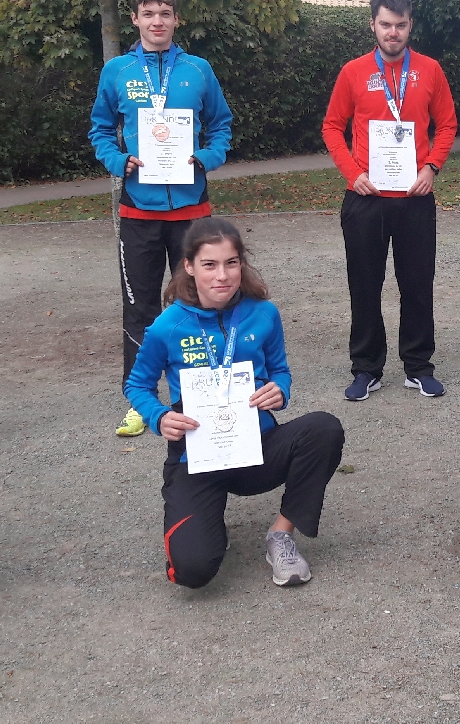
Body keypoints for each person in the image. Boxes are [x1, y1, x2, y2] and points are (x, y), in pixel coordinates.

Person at [126, 218, 346, 588]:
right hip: (197, 457)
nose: (222, 276)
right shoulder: (167, 327)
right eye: (210, 265)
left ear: (241, 263)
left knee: (324, 428)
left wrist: (279, 391)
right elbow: (137, 385)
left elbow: (280, 370)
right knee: (193, 571)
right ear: (189, 266)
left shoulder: (264, 313)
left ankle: (281, 535)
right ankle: (208, 525)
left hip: (256, 448)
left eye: (231, 263)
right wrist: (159, 416)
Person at [90, 0, 233, 437]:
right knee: (140, 308)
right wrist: (117, 161)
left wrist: (206, 158)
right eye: (148, 13)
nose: (157, 21)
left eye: (165, 13)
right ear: (135, 19)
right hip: (139, 212)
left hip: (192, 213)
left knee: (198, 302)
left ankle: (202, 396)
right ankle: (140, 400)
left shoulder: (198, 70)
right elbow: (98, 128)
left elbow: (222, 125)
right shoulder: (116, 71)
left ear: (176, 19)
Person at [322, 0, 458, 401]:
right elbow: (332, 127)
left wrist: (432, 166)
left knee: (417, 283)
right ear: (373, 25)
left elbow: (448, 124)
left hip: (415, 196)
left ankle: (418, 366)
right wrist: (353, 172)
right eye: (385, 25)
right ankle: (367, 368)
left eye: (400, 25)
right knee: (364, 284)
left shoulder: (430, 70)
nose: (393, 32)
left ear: (410, 25)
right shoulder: (353, 72)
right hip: (366, 196)